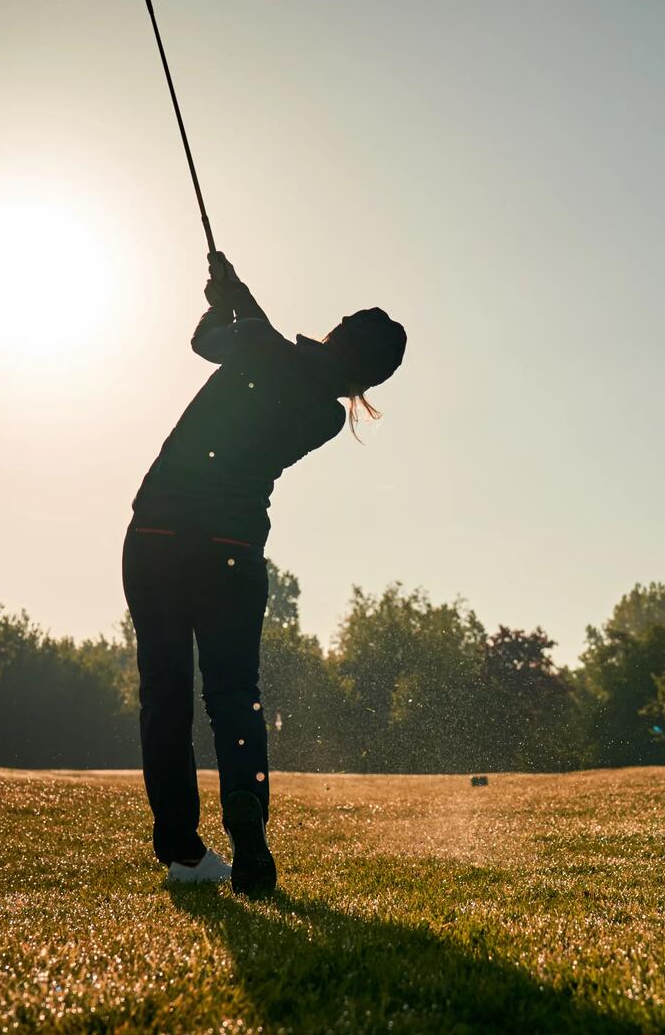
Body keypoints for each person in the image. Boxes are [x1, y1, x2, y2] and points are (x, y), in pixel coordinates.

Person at [123, 251, 406, 893]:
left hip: (158, 533)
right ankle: (248, 821)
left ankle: (186, 854)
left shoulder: (258, 346)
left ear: (335, 335)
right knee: (232, 697)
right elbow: (277, 354)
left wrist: (224, 299)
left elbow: (207, 342)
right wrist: (241, 300)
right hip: (232, 547)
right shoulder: (327, 417)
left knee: (165, 693)